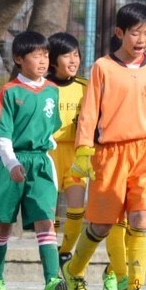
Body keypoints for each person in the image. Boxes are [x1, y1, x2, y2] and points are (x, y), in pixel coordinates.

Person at [61, 3, 146, 290]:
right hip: (110, 152)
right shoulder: (102, 67)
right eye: (135, 33)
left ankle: (135, 289)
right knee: (104, 225)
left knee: (141, 219)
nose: (142, 39)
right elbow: (90, 111)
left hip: (144, 149)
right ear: (120, 33)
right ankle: (74, 270)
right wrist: (82, 151)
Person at [0, 31, 68, 290]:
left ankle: (52, 281)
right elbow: (3, 135)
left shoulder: (52, 91)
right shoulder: (10, 91)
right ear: (19, 59)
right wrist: (11, 163)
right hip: (12, 163)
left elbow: (51, 127)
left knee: (46, 220)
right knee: (3, 226)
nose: (43, 60)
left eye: (46, 55)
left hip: (41, 162)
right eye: (36, 55)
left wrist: (50, 146)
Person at [48, 31, 88, 264]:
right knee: (49, 209)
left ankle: (65, 251)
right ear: (53, 60)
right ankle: (50, 248)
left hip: (75, 153)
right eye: (66, 56)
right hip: (49, 153)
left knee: (76, 207)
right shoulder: (43, 87)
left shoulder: (86, 86)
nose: (73, 60)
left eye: (76, 55)